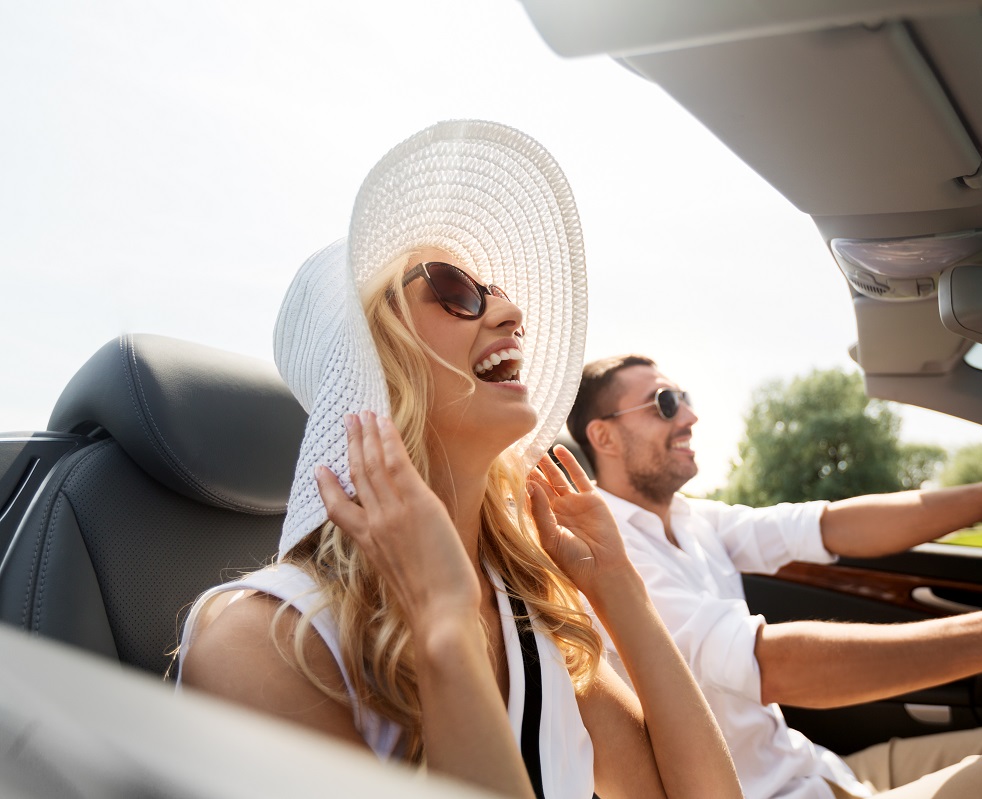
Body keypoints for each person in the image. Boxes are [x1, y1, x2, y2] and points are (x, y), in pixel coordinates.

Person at [175, 122, 741, 799]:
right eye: (453, 288)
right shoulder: (264, 643)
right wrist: (443, 626)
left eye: (494, 288)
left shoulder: (530, 612)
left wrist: (621, 590)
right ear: (375, 368)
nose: (509, 309)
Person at [566, 354, 982, 799]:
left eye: (688, 400)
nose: (691, 417)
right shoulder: (611, 553)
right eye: (666, 404)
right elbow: (770, 663)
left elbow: (834, 525)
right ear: (605, 437)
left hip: (821, 770)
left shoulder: (692, 520)